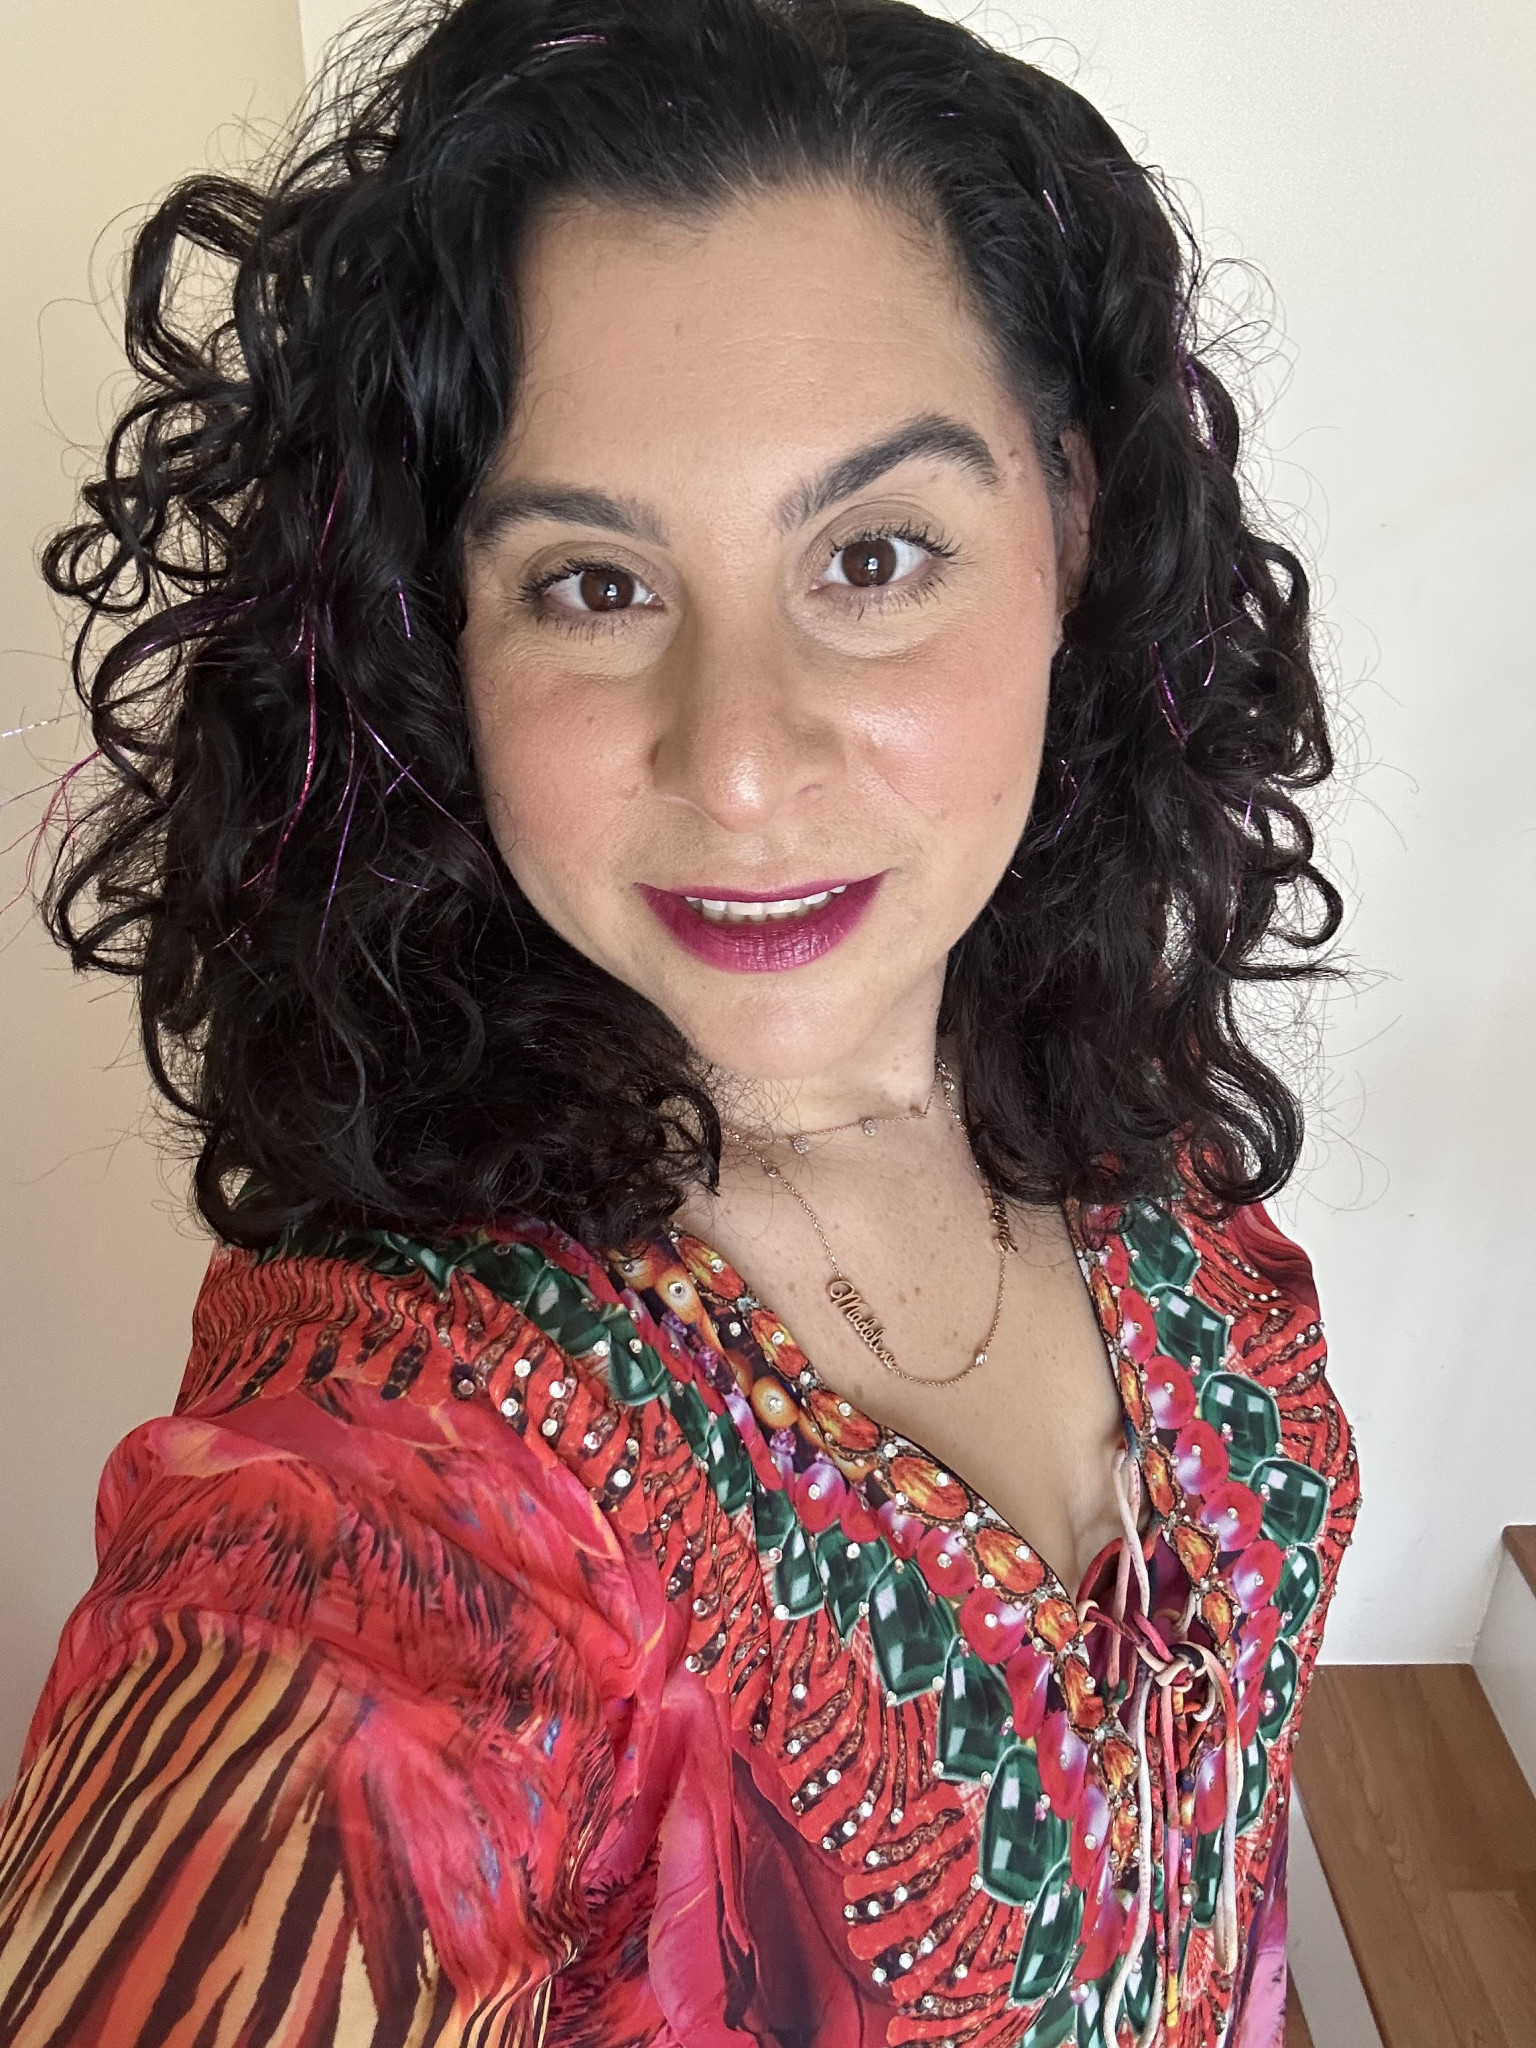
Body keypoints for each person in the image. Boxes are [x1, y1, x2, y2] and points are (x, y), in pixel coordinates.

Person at [0, 1, 1359, 2041]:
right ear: (439, 628)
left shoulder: (1089, 1066)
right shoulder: (382, 1526)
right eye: (594, 584)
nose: (736, 762)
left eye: (872, 557)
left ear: (1069, 520)